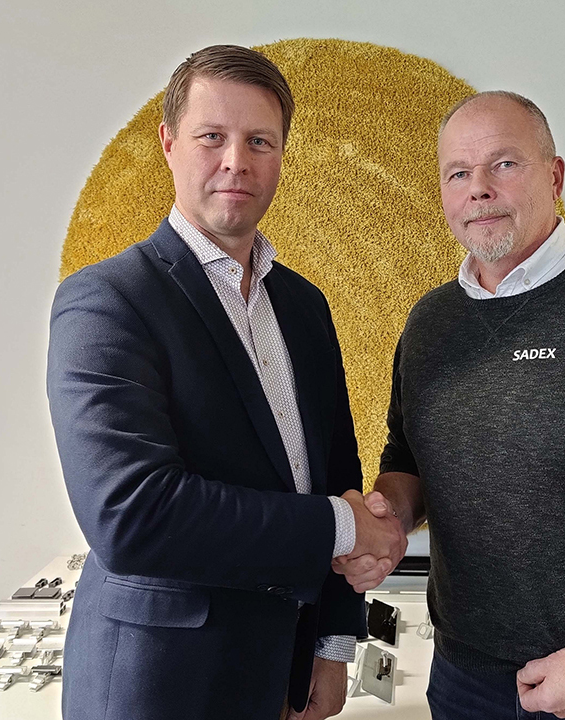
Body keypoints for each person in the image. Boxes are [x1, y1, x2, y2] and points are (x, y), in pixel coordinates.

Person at [47, 45, 405, 720]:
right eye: (212, 136)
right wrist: (343, 526)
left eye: (259, 141)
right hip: (157, 685)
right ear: (169, 143)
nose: (236, 160)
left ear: (281, 156)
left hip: (283, 671)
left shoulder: (304, 305)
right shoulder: (106, 302)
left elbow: (335, 472)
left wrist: (332, 645)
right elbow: (132, 515)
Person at [333, 91, 565, 719]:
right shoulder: (431, 323)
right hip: (462, 683)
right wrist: (388, 519)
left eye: (504, 164)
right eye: (458, 173)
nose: (479, 189)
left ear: (555, 176)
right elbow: (408, 459)